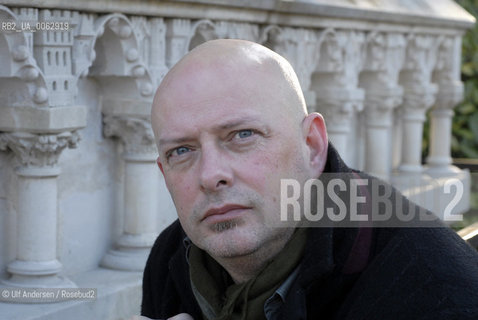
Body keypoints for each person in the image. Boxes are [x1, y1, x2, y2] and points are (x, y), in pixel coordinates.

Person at [140, 39, 478, 320]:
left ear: (313, 146)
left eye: (242, 135)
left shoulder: (437, 292)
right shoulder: (172, 258)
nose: (211, 175)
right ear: (163, 172)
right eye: (182, 151)